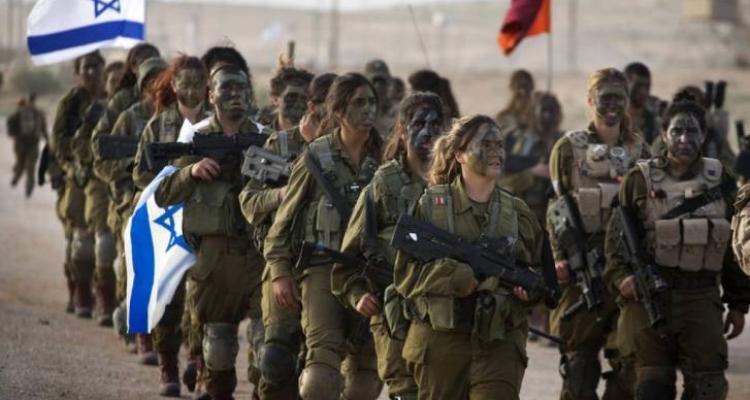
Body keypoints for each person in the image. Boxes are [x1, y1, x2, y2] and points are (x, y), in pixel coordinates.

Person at [605, 100, 750, 399]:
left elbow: (732, 247)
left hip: (701, 298)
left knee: (709, 388)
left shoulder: (721, 181)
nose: (684, 138)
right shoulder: (638, 180)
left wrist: (738, 303)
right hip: (649, 300)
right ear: (664, 133)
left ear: (704, 134)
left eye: (692, 131)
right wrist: (622, 278)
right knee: (652, 386)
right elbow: (615, 243)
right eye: (677, 131)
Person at [394, 114, 544, 399]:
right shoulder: (432, 207)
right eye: (485, 144)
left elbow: (537, 272)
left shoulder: (518, 213)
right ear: (460, 154)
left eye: (499, 145)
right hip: (441, 343)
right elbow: (405, 276)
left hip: (498, 344)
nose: (496, 152)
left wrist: (528, 294)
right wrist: (455, 277)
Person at [263, 72, 384, 400]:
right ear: (339, 111)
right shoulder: (316, 156)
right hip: (322, 271)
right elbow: (281, 223)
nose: (369, 110)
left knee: (365, 382)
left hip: (369, 276)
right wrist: (280, 273)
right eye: (359, 103)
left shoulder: (384, 160)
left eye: (372, 102)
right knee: (319, 378)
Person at [155, 64, 267, 400]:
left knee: (269, 349)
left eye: (241, 88)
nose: (235, 94)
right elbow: (162, 194)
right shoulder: (195, 136)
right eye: (226, 88)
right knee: (217, 350)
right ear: (211, 95)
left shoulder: (267, 136)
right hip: (213, 257)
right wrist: (191, 171)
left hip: (258, 255)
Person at [332, 92, 446, 400]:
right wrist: (358, 294)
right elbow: (349, 255)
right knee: (404, 391)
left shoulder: (455, 185)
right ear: (403, 131)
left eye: (436, 124)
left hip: (443, 314)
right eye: (419, 124)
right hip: (393, 310)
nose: (428, 131)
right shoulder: (384, 184)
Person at [546, 68, 649, 400]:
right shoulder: (567, 149)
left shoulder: (640, 151)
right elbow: (556, 209)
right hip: (582, 272)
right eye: (605, 98)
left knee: (630, 367)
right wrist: (559, 257)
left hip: (625, 272)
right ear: (590, 101)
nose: (613, 105)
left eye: (619, 97)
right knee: (579, 370)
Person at [238, 71, 335, 400]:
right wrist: (281, 195)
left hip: (331, 266)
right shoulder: (279, 145)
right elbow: (248, 202)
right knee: (277, 360)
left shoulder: (352, 151)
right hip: (285, 261)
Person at [132, 55, 210, 397]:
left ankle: (199, 363)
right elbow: (140, 174)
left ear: (207, 86)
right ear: (174, 85)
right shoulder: (158, 126)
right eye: (185, 82)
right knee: (169, 298)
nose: (191, 89)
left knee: (203, 299)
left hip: (206, 221)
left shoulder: (216, 125)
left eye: (198, 82)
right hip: (167, 223)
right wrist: (171, 179)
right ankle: (168, 366)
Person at [94, 56, 167, 366]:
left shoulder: (174, 119)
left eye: (162, 80)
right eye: (151, 81)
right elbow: (102, 162)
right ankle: (141, 334)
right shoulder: (129, 117)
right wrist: (132, 167)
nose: (157, 87)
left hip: (169, 203)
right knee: (134, 268)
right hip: (131, 203)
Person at [498, 91, 563, 343]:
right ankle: (529, 318)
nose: (547, 116)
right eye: (542, 110)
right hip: (525, 213)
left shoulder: (562, 142)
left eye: (551, 110)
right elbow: (504, 180)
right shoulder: (518, 141)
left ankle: (548, 320)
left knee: (553, 266)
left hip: (554, 214)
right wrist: (533, 173)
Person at [49, 51, 106, 319]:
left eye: (96, 66)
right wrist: (75, 160)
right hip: (77, 177)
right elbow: (58, 142)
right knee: (78, 238)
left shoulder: (112, 98)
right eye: (86, 67)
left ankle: (101, 293)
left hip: (104, 177)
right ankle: (79, 290)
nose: (92, 72)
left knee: (104, 240)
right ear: (77, 72)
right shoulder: (70, 103)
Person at [69, 60, 125, 327]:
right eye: (113, 81)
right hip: (99, 184)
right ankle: (101, 297)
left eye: (122, 81)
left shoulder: (135, 112)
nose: (117, 86)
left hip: (127, 184)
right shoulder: (98, 111)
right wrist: (95, 160)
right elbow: (79, 144)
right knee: (101, 244)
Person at [7, 94, 45, 197]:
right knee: (30, 166)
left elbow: (10, 121)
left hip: (20, 143)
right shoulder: (39, 112)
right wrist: (47, 138)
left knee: (21, 163)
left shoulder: (21, 111)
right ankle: (29, 186)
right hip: (33, 143)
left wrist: (13, 134)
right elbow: (43, 127)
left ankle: (16, 177)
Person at [267, 67, 315, 132]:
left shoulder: (319, 135)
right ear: (275, 99)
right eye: (292, 97)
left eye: (304, 99)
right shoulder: (260, 135)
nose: (299, 104)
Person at [624, 62, 660, 145]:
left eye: (647, 86)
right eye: (638, 86)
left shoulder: (654, 122)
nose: (643, 92)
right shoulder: (613, 120)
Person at [364, 59, 397, 139]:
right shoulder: (361, 112)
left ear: (389, 83)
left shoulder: (398, 112)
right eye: (374, 82)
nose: (378, 86)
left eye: (382, 82)